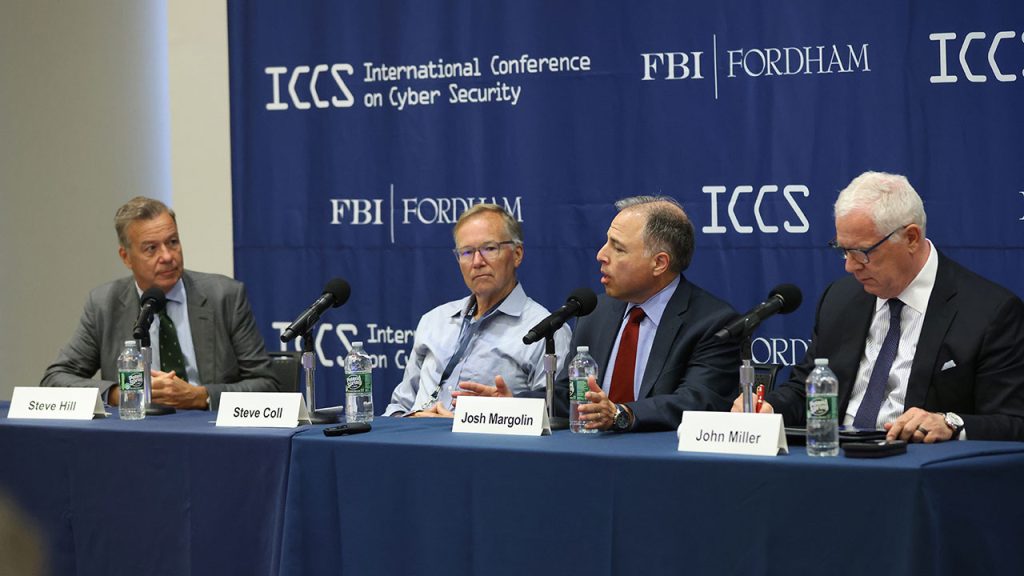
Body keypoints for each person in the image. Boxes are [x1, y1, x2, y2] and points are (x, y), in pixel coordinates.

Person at [735, 171, 1024, 442]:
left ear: (911, 238)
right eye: (843, 251)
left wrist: (950, 423)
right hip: (833, 460)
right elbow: (804, 391)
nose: (850, 266)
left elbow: (1012, 421)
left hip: (916, 467)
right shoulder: (840, 298)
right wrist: (770, 407)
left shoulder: (989, 312)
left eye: (861, 253)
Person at [463, 196, 741, 432]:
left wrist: (621, 414)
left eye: (617, 248)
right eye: (606, 242)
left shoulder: (713, 322)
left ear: (659, 263)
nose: (600, 255)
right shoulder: (595, 312)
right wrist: (514, 407)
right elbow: (570, 396)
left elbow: (697, 402)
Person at [41, 196, 278, 410]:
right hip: (135, 437)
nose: (167, 256)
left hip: (210, 432)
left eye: (172, 242)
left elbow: (268, 386)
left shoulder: (224, 296)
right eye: (151, 248)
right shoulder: (104, 304)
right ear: (126, 257)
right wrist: (118, 393)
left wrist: (201, 396)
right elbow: (55, 379)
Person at [383, 203, 571, 417]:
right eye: (467, 252)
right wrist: (415, 419)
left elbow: (550, 421)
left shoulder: (547, 332)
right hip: (416, 443)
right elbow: (397, 408)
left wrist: (486, 417)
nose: (477, 262)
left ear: (517, 254)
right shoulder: (434, 321)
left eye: (490, 248)